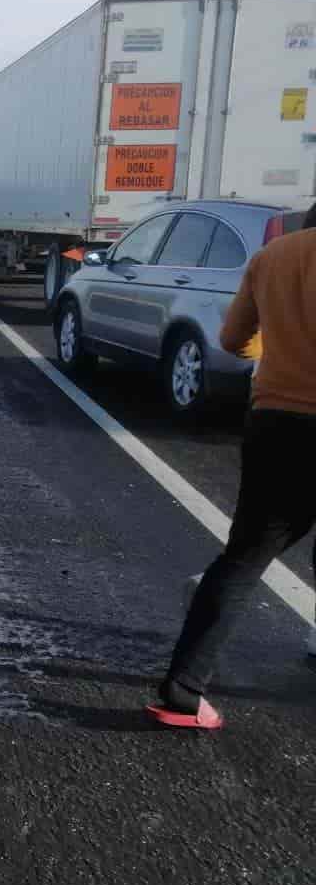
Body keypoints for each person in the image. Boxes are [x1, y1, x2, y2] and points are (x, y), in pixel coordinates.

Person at [149, 201, 316, 730]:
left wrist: (275, 345)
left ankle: (183, 690)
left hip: (276, 420)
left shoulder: (273, 256)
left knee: (245, 556)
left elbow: (233, 342)